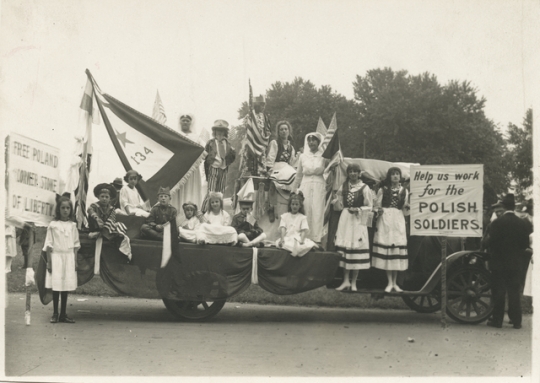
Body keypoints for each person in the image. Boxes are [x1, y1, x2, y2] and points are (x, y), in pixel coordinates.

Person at [486, 194, 532, 329]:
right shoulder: (523, 223)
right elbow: (525, 244)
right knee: (514, 292)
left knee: (498, 292)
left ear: (504, 206)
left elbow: (491, 242)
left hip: (499, 262)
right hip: (516, 263)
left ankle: (497, 320)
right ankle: (516, 321)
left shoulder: (497, 223)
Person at [333, 164, 373, 291]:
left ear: (359, 173)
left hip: (358, 220)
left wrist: (358, 209)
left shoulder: (364, 188)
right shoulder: (343, 186)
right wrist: (336, 202)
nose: (353, 174)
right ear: (348, 173)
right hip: (345, 219)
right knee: (346, 250)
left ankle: (354, 282)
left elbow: (370, 206)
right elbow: (338, 204)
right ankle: (345, 281)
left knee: (355, 249)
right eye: (351, 171)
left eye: (355, 171)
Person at [372, 167, 409, 293]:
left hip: (398, 219)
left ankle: (395, 283)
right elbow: (377, 205)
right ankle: (389, 282)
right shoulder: (383, 190)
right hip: (386, 219)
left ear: (400, 176)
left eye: (397, 174)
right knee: (388, 249)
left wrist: (407, 208)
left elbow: (405, 207)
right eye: (392, 174)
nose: (395, 176)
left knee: (396, 250)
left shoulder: (404, 191)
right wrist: (379, 210)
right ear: (389, 177)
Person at [44, 196, 80, 324]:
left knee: (65, 286)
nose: (65, 210)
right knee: (57, 285)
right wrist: (49, 261)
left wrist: (75, 261)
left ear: (71, 210)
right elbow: (48, 245)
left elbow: (76, 245)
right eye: (63, 208)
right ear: (58, 210)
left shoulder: (72, 225)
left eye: (68, 208)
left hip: (68, 257)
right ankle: (55, 313)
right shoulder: (53, 225)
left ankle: (63, 314)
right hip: (57, 257)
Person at [292, 132, 327, 245]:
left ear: (318, 142)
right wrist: (293, 191)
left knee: (317, 211)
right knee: (305, 210)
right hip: (305, 185)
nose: (311, 142)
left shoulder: (324, 156)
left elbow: (330, 171)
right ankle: (304, 238)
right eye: (309, 140)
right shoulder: (303, 156)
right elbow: (298, 175)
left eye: (314, 140)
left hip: (319, 185)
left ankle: (316, 239)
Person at [171, 114, 205, 222]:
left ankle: (192, 218)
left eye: (187, 121)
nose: (185, 122)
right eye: (183, 120)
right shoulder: (175, 134)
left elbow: (204, 151)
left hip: (191, 169)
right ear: (180, 122)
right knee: (177, 190)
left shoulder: (196, 137)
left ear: (191, 123)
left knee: (191, 190)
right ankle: (177, 218)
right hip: (178, 168)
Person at [87, 183, 131, 258]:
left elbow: (112, 220)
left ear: (110, 198)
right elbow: (90, 210)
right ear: (98, 197)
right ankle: (97, 233)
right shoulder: (94, 205)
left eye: (107, 197)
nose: (104, 199)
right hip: (95, 227)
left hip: (105, 228)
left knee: (119, 228)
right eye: (102, 196)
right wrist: (96, 218)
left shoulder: (111, 208)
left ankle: (103, 234)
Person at [202, 120, 236, 212]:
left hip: (224, 169)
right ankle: (204, 211)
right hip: (213, 168)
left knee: (220, 192)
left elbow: (232, 156)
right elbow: (204, 155)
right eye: (218, 130)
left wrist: (229, 159)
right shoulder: (211, 143)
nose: (220, 133)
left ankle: (217, 212)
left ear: (225, 132)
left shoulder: (228, 144)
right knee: (211, 191)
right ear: (215, 132)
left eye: (222, 130)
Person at [276, 192, 317, 257]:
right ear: (290, 205)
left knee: (302, 244)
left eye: (296, 204)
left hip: (298, 238)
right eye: (293, 204)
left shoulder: (302, 217)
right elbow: (283, 228)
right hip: (288, 238)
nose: (294, 206)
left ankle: (304, 247)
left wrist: (302, 240)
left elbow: (303, 230)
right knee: (283, 244)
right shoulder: (285, 216)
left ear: (300, 206)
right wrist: (282, 239)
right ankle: (296, 249)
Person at [242, 95, 272, 176]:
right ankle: (248, 173)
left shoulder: (265, 117)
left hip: (261, 142)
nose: (263, 107)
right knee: (249, 159)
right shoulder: (250, 115)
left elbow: (268, 129)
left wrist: (266, 136)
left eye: (264, 105)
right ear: (256, 105)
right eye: (261, 104)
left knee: (261, 160)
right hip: (251, 140)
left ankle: (261, 173)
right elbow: (246, 127)